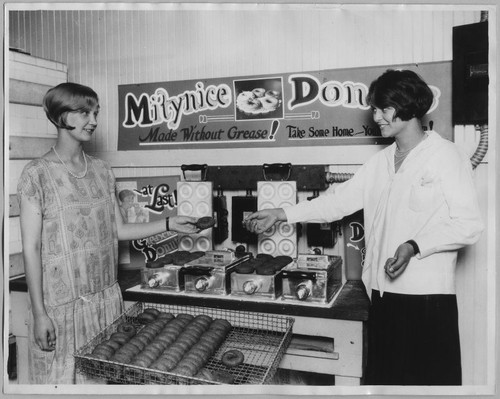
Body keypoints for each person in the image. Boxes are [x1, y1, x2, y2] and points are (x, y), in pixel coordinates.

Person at [243, 70, 484, 385]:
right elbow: (336, 203)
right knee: (384, 384)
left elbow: (468, 225)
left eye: (383, 108)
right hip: (381, 297)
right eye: (375, 108)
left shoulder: (446, 156)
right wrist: (281, 213)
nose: (376, 116)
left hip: (425, 300)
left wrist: (414, 245)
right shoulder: (380, 162)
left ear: (408, 107)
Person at [17, 82, 202, 384]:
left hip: (104, 304)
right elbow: (31, 248)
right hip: (60, 310)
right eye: (84, 112)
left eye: (95, 113)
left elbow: (119, 229)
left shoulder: (103, 171)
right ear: (60, 116)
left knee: (101, 384)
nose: (93, 120)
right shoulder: (36, 174)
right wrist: (39, 314)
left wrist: (170, 223)